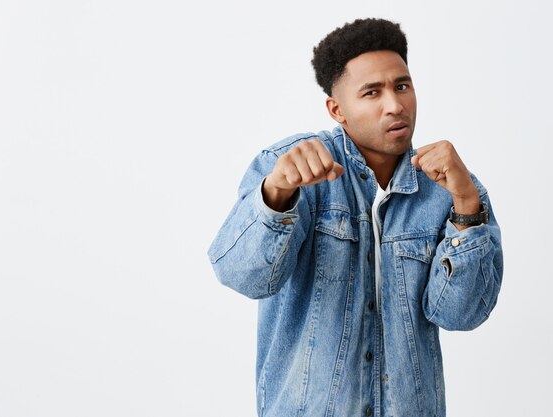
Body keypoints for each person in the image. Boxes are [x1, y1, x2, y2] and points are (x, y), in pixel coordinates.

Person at [208, 18, 503, 417]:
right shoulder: (292, 168)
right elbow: (243, 276)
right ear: (337, 109)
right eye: (371, 92)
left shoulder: (451, 187)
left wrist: (467, 207)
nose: (395, 105)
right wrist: (276, 194)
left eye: (402, 86)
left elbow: (460, 314)